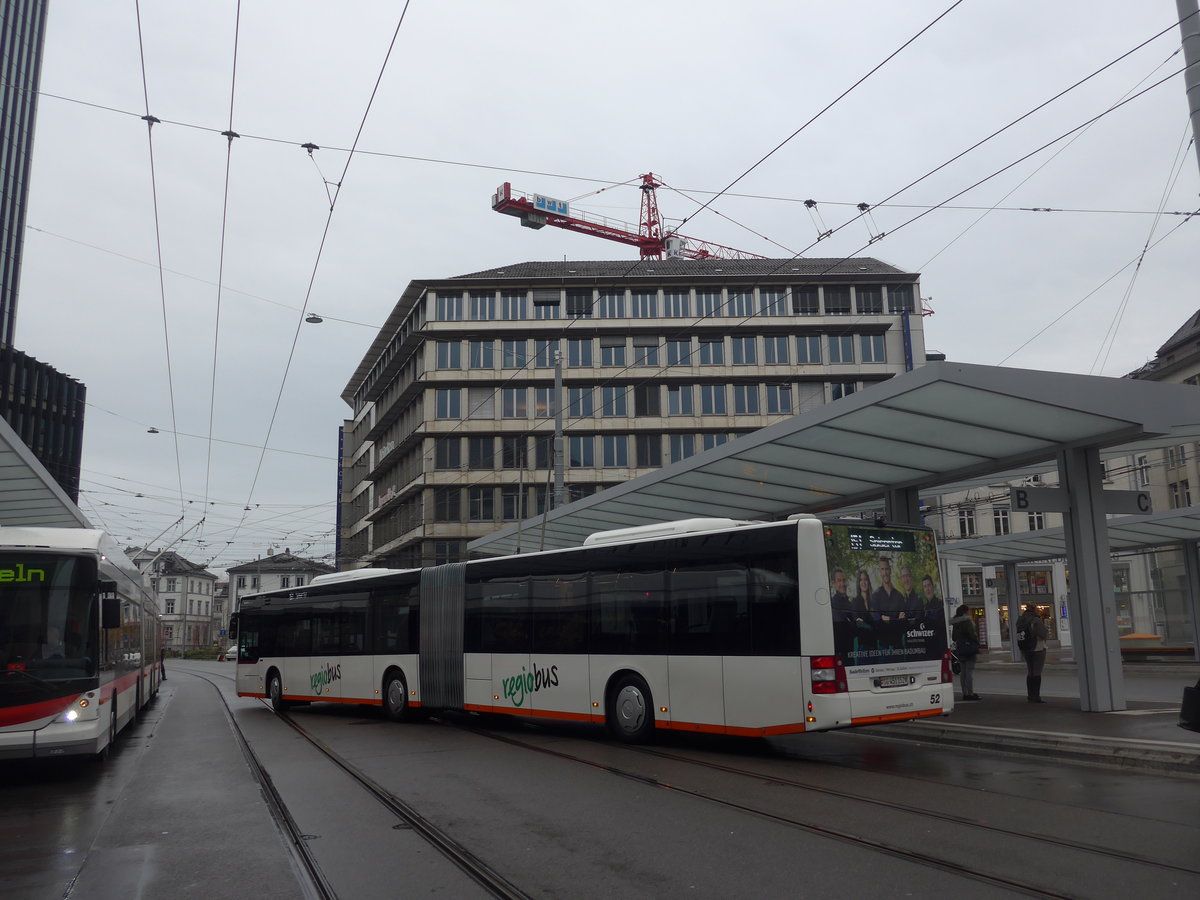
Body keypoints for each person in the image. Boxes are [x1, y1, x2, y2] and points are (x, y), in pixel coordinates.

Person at [1017, 602, 1049, 703]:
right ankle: (1036, 696)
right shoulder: (1036, 620)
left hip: (1026, 648)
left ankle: (1030, 695)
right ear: (1035, 609)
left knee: (1030, 672)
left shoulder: (1021, 620)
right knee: (1037, 672)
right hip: (1037, 648)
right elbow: (1042, 634)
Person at [950, 605, 980, 701]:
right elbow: (972, 634)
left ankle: (965, 693)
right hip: (969, 648)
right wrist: (976, 642)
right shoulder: (967, 621)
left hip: (960, 648)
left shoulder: (955, 622)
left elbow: (954, 637)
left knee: (963, 672)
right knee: (969, 672)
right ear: (965, 611)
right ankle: (970, 693)